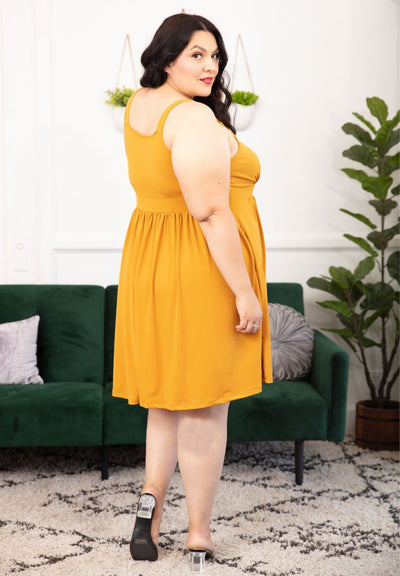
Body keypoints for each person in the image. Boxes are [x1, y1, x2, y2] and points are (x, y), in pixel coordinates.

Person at [112, 12, 273, 567]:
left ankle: (148, 513)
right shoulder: (191, 118)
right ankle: (199, 533)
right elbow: (209, 212)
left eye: (215, 56)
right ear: (166, 58)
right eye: (196, 55)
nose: (210, 67)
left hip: (152, 262)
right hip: (200, 269)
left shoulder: (140, 105)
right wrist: (245, 292)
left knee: (166, 401)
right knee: (205, 406)